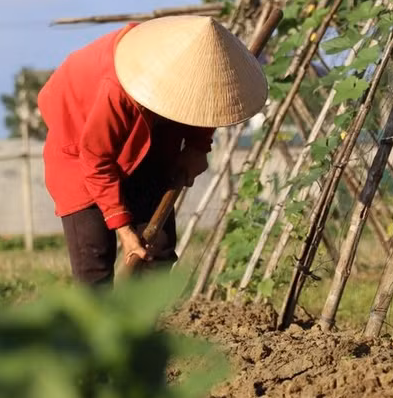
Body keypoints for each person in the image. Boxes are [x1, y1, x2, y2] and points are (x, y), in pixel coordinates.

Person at [37, 15, 267, 286]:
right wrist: (123, 229)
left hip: (149, 141)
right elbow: (96, 160)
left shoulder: (192, 78)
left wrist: (198, 146)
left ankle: (138, 324)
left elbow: (205, 105)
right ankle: (96, 326)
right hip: (80, 155)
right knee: (94, 262)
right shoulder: (119, 87)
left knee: (159, 252)